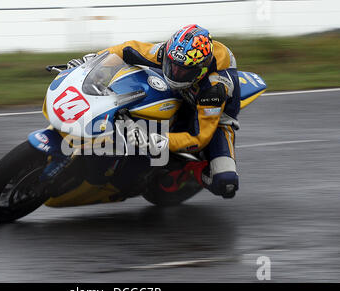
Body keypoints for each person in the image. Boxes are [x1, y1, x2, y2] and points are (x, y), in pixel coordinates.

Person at [67, 24, 240, 198]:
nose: (174, 72)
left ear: (200, 71)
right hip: (185, 88)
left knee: (225, 183)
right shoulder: (171, 53)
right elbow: (127, 49)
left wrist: (153, 140)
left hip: (216, 116)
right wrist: (89, 63)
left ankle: (192, 169)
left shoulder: (214, 89)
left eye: (182, 71)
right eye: (172, 65)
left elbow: (199, 138)